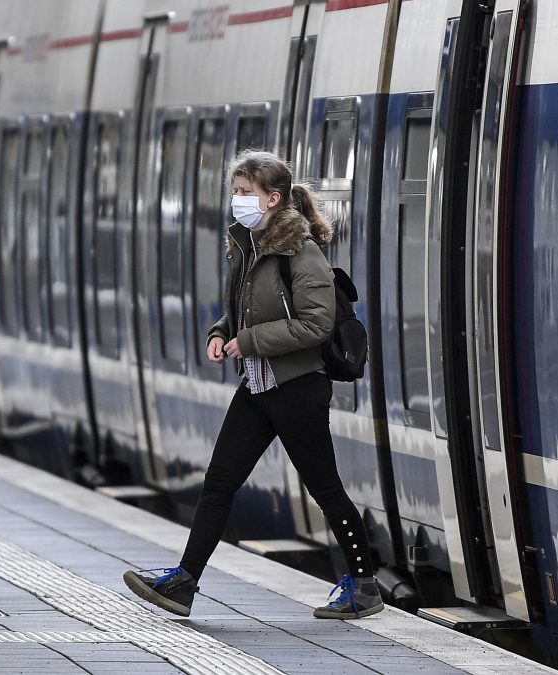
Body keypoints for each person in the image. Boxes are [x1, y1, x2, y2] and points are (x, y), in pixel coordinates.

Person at [123, 150, 384, 620]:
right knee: (219, 482)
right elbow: (243, 309)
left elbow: (317, 324)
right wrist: (221, 334)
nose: (237, 201)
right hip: (259, 385)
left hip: (298, 387)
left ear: (273, 199)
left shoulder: (301, 254)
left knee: (324, 487)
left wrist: (248, 340)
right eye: (236, 192)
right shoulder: (247, 246)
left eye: (246, 193)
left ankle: (364, 584)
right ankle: (185, 581)